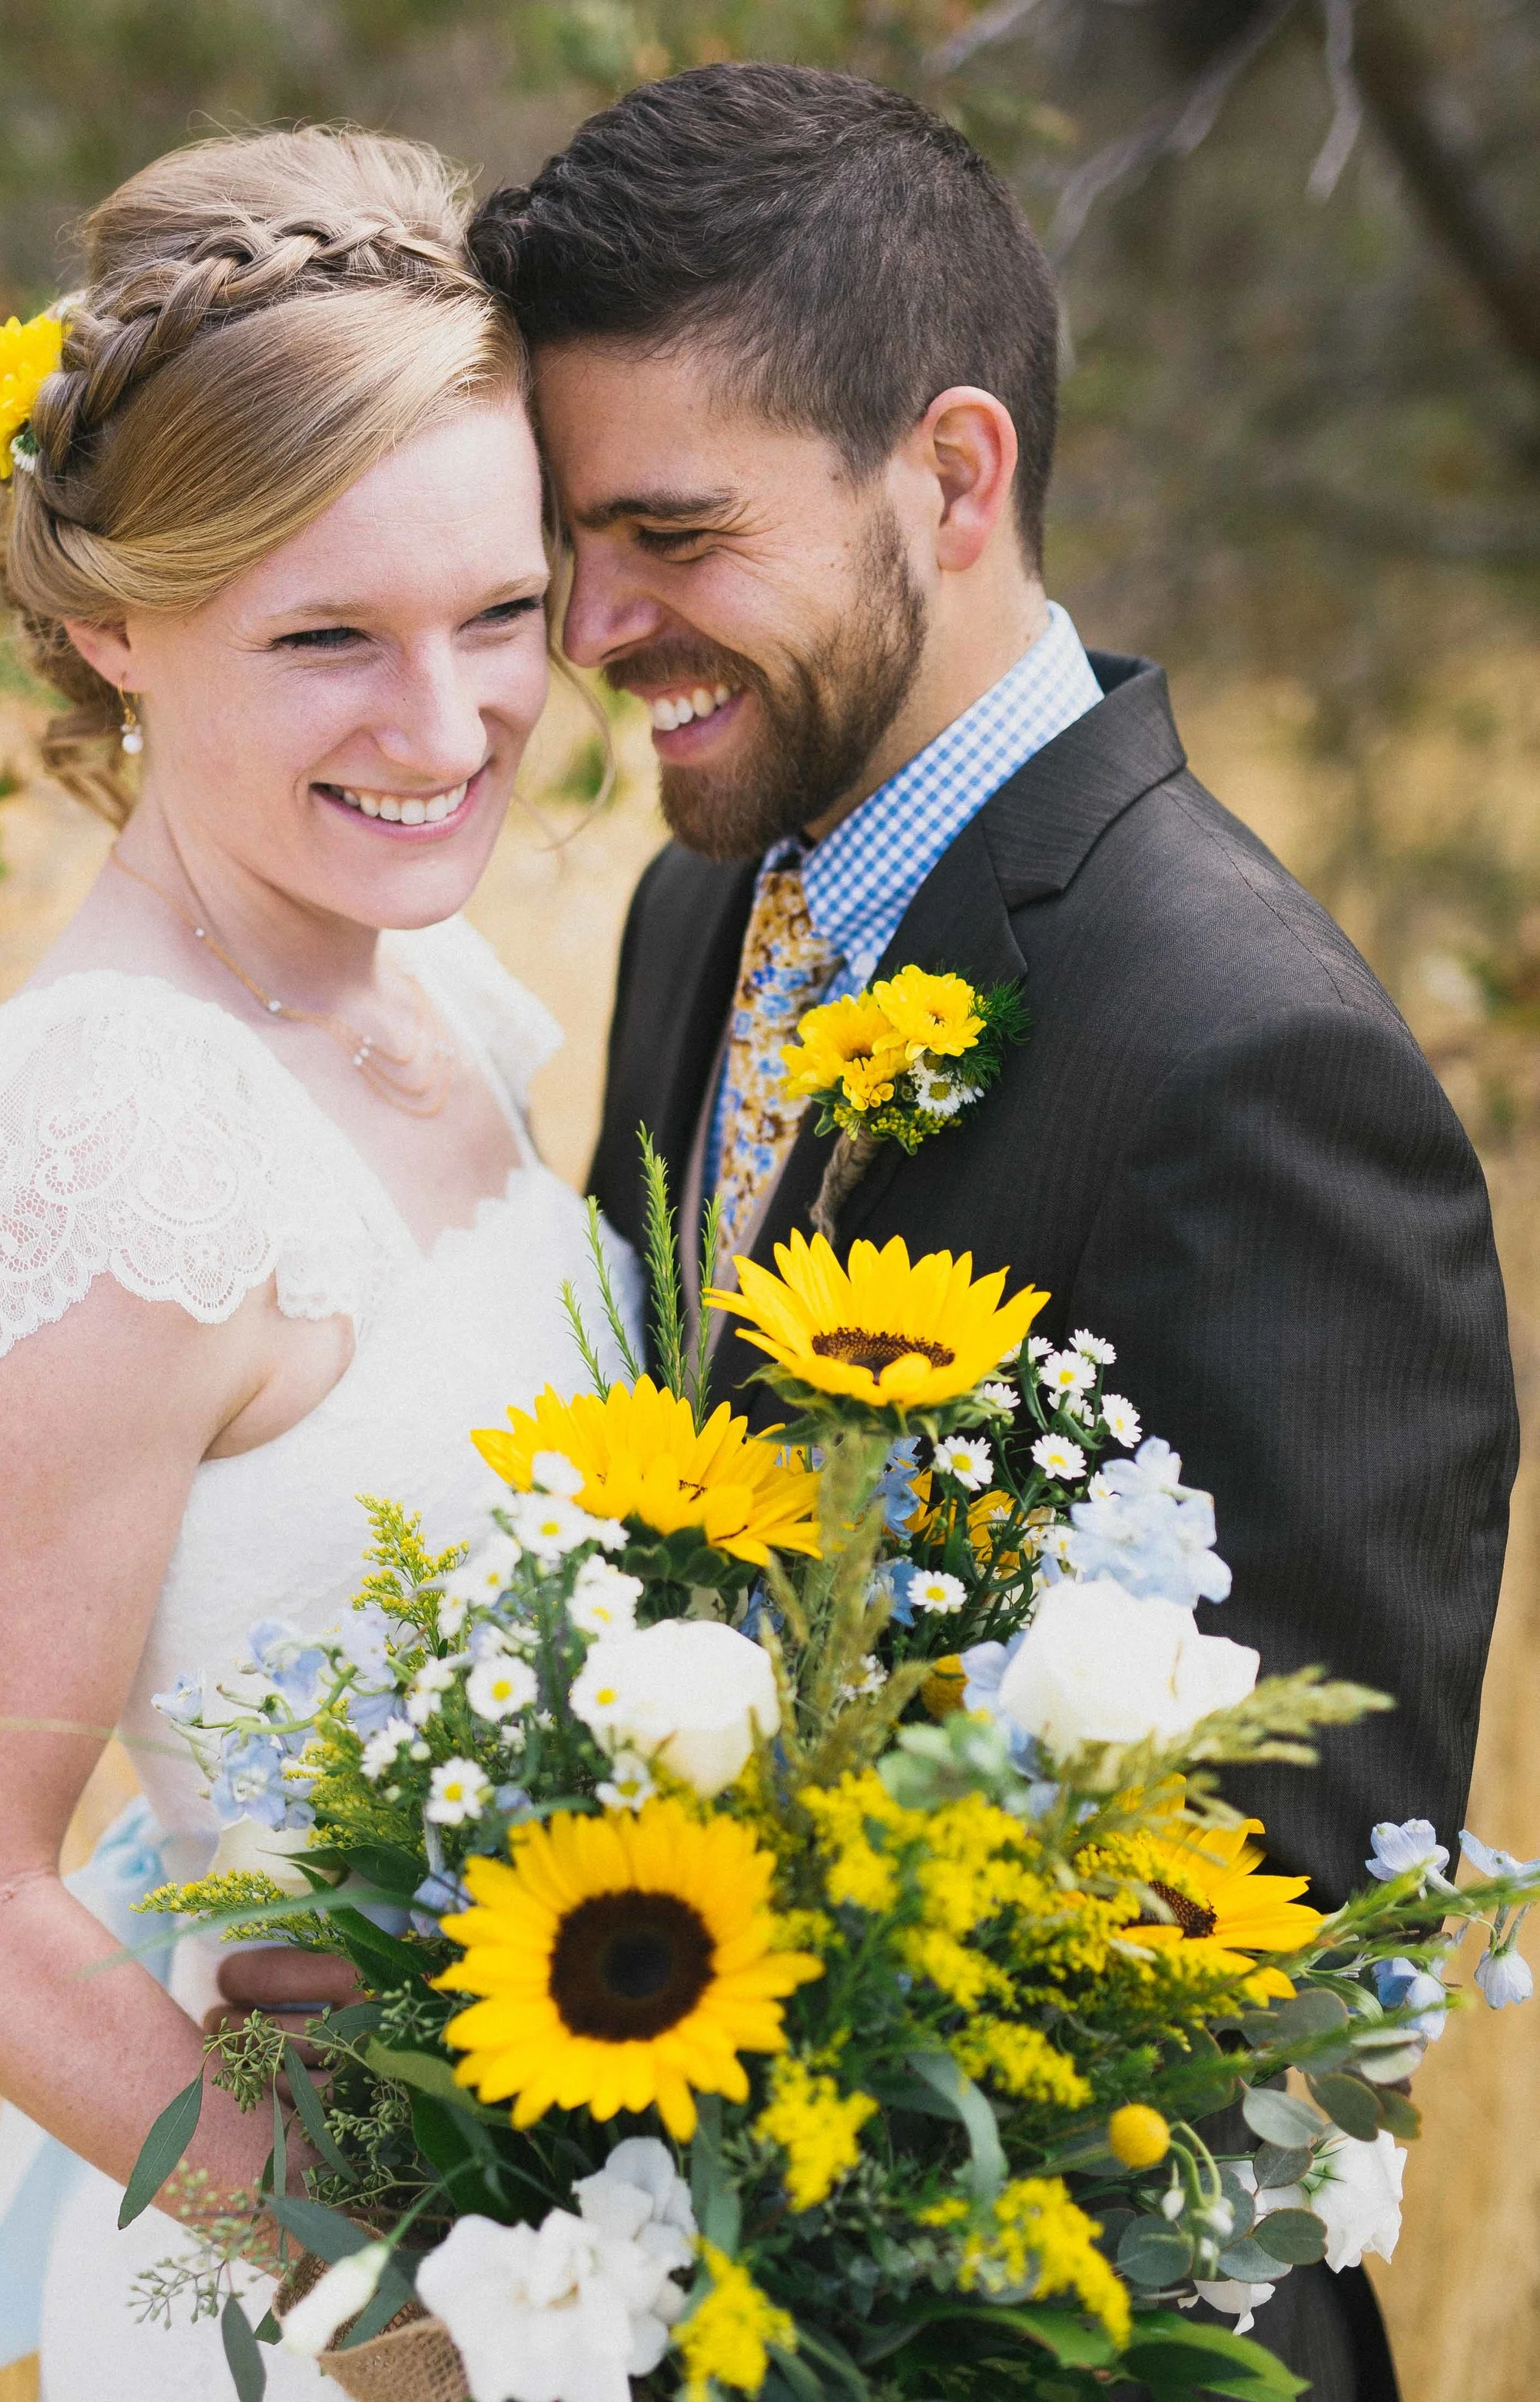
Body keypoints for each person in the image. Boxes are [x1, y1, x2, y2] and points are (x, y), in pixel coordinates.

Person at [471, 61, 1518, 2401]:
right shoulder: (693, 909)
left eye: (670, 531)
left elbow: (1287, 1950)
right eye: (567, 539)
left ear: (953, 474)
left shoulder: (1249, 1056)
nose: (590, 622)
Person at [0, 128, 629, 2401]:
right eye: (325, 640)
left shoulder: (427, 992)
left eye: (497, 611)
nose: (448, 723)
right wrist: (400, 2313)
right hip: (332, 2296)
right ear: (108, 623)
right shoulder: (97, 1138)